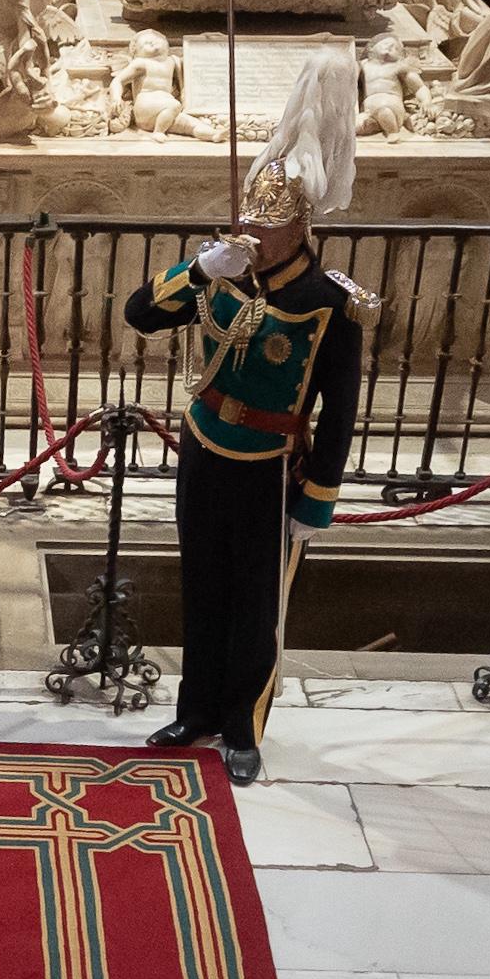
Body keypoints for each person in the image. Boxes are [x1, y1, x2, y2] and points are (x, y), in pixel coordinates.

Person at [118, 52, 366, 785]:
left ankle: (242, 726)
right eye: (252, 215)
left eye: (269, 221)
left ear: (301, 229)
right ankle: (195, 708)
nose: (253, 228)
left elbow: (342, 409)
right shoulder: (224, 271)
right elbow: (140, 315)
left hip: (269, 465)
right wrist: (198, 270)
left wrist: (316, 502)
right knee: (203, 584)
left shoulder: (329, 305)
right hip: (204, 443)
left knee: (257, 606)